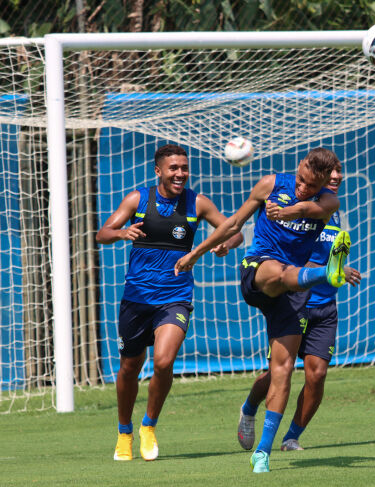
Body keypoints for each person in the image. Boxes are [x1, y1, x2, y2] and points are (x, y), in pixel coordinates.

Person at [173, 147, 350, 473]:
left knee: (282, 371)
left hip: (293, 295)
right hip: (258, 272)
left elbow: (313, 207)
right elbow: (235, 222)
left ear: (325, 181)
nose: (302, 188)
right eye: (300, 180)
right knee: (280, 273)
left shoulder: (328, 202)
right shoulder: (269, 184)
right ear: (299, 167)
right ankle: (326, 273)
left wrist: (294, 210)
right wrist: (195, 254)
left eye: (311, 185)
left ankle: (263, 453)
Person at [96, 144, 243, 462]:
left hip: (175, 298)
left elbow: (233, 231)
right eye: (174, 168)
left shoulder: (198, 202)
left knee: (163, 362)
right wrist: (122, 233)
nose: (180, 173)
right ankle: (124, 432)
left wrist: (224, 245)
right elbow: (102, 233)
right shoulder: (138, 199)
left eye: (184, 168)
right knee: (129, 368)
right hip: (136, 298)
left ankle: (149, 427)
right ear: (158, 170)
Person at [237, 161, 361, 453]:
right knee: (277, 373)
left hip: (325, 304)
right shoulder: (296, 202)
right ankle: (249, 407)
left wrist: (341, 270)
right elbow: (290, 250)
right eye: (332, 172)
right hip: (295, 301)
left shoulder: (332, 210)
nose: (338, 176)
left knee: (317, 375)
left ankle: (291, 437)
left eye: (339, 171)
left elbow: (328, 256)